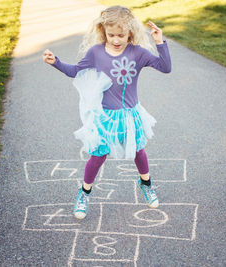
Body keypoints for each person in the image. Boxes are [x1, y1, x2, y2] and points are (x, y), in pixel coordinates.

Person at [43, 5, 171, 219]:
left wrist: (160, 42)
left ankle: (146, 184)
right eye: (111, 35)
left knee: (138, 150)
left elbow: (165, 67)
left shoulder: (137, 53)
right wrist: (56, 62)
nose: (116, 39)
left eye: (121, 35)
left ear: (130, 32)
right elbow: (75, 71)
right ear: (104, 32)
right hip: (106, 116)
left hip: (131, 115)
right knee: (98, 154)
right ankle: (84, 192)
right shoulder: (96, 52)